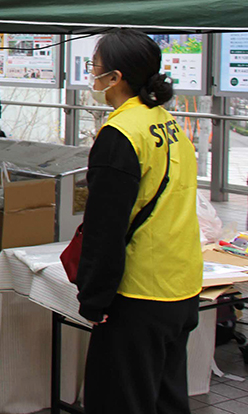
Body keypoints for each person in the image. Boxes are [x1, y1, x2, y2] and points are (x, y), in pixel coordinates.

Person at [75, 29, 201, 413]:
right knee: (166, 398)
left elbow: (105, 225)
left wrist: (94, 298)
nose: (91, 75)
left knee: (120, 399)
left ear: (116, 78)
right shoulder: (168, 124)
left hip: (139, 292)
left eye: (94, 67)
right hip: (181, 285)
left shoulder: (120, 134)